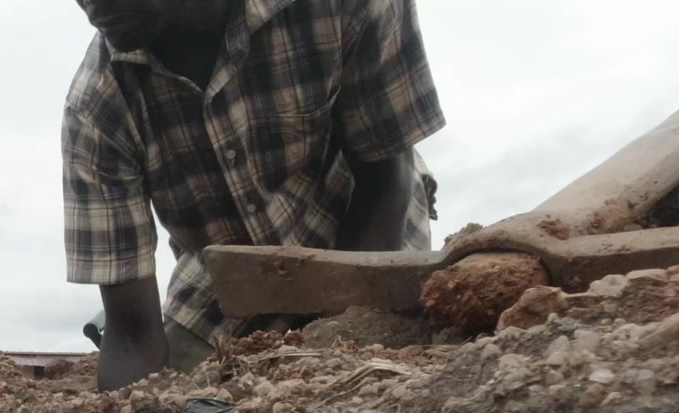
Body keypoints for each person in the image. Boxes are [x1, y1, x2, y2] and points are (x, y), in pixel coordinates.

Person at [65, 0, 445, 390]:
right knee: (192, 409)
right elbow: (131, 336)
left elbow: (383, 177)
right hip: (225, 282)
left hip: (361, 227)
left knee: (382, 376)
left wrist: (342, 349)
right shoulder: (97, 111)